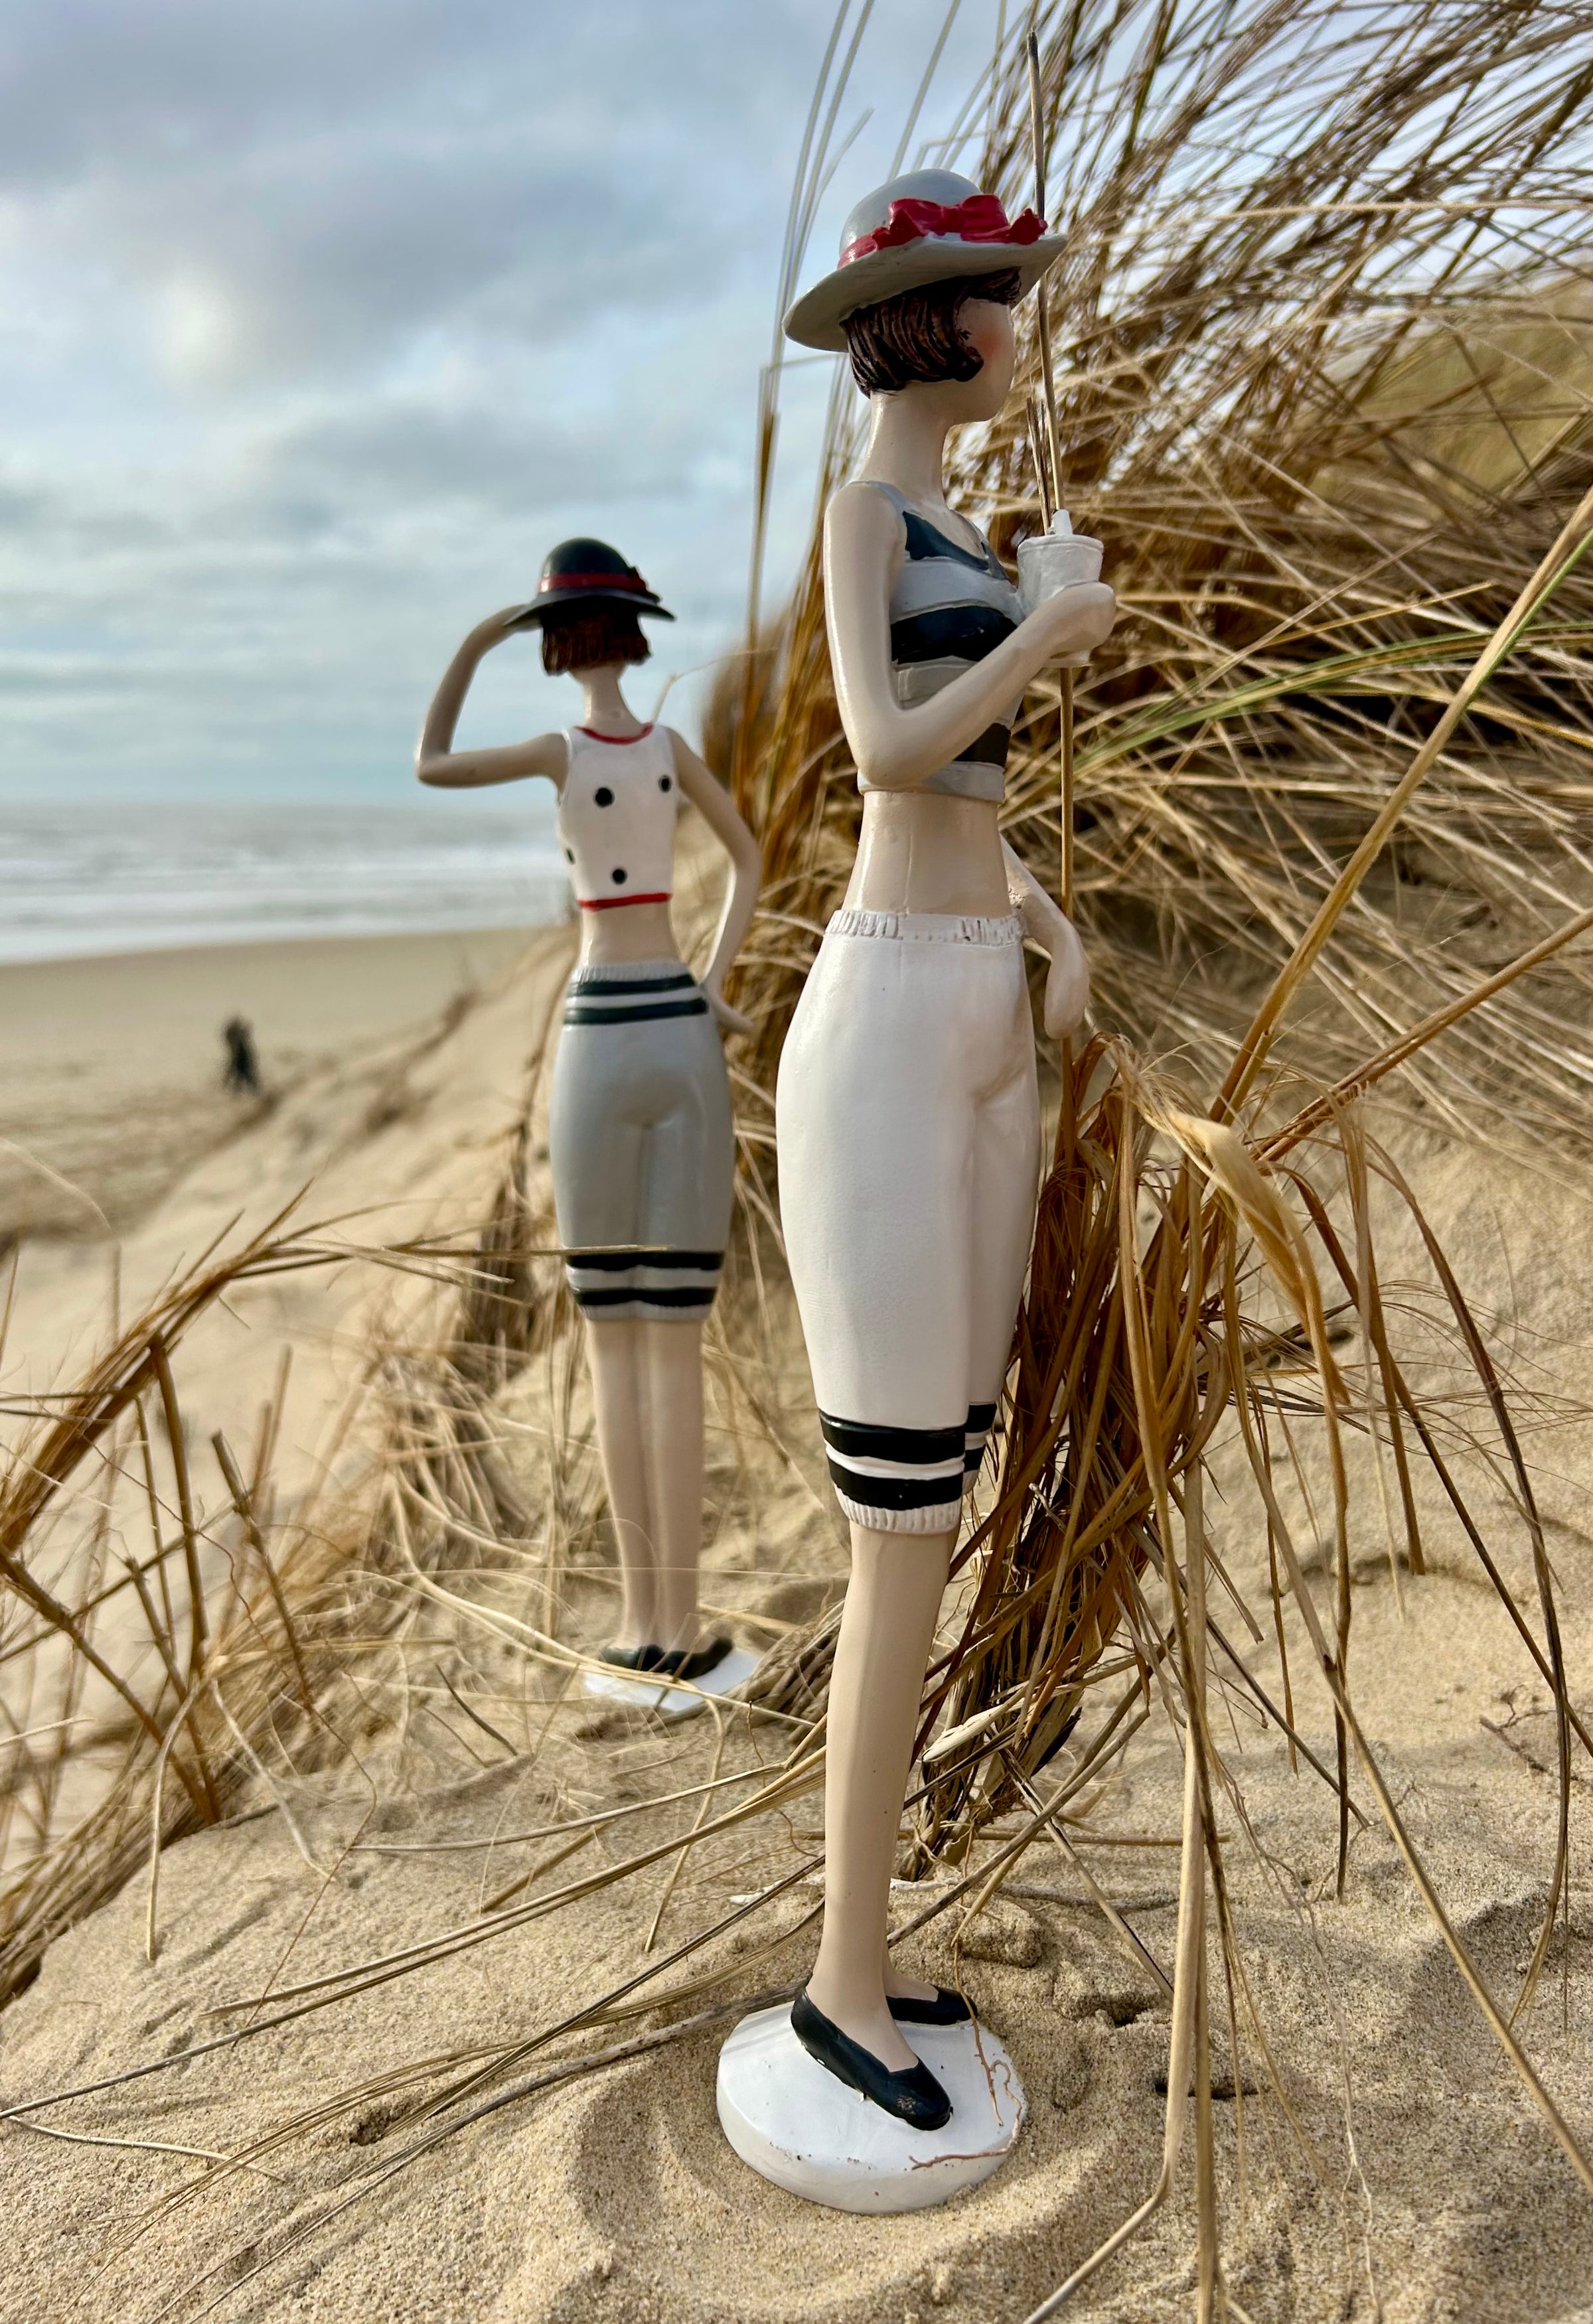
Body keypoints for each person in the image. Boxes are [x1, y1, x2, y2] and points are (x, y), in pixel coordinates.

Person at [775, 170, 1117, 2127]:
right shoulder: (860, 518)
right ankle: (840, 1984)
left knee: (942, 1490)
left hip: (978, 997)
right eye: (994, 297)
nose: (1013, 329)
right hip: (892, 1020)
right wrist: (1047, 633)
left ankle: (866, 1939)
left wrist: (1043, 921)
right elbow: (883, 752)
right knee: (896, 1527)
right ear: (924, 322)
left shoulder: (959, 529)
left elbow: (966, 796)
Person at [417, 540, 762, 1692]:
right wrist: (713, 980)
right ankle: (683, 1621)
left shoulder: (561, 752)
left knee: (617, 1337)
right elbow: (750, 861)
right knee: (672, 1337)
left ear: (557, 641)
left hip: (602, 1035)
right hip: (679, 1026)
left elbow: (430, 763)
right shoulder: (667, 749)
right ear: (632, 631)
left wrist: (479, 639)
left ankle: (644, 1622)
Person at [222, 1016, 260, 1094]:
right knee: (246, 1085)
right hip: (243, 1066)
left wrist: (227, 1077)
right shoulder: (242, 1046)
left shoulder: (239, 1047)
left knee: (246, 1084)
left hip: (243, 1066)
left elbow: (234, 1061)